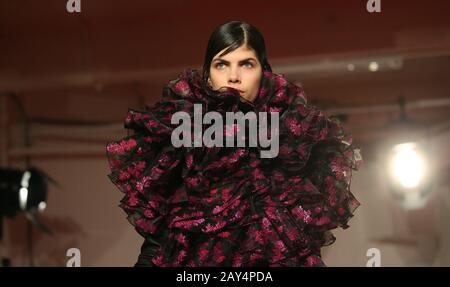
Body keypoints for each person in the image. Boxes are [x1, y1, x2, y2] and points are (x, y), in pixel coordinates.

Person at [106, 21, 362, 267]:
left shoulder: (292, 139)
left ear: (264, 71)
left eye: (247, 64)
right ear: (208, 74)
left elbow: (302, 250)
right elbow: (161, 243)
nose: (233, 76)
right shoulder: (182, 137)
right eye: (221, 64)